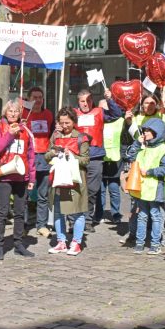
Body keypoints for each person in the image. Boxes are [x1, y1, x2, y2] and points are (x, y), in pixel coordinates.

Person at [0, 100, 36, 260]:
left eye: (16, 111)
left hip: (21, 176)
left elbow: (30, 155)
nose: (13, 113)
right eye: (10, 111)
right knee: (2, 211)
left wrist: (32, 176)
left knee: (19, 212)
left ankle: (18, 244)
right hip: (4, 175)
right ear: (5, 112)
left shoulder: (26, 131)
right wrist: (9, 134)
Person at [45, 107, 90, 256]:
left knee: (77, 211)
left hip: (75, 180)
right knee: (58, 212)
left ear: (74, 121)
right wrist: (53, 152)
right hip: (58, 179)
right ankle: (61, 241)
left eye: (67, 123)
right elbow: (46, 156)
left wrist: (71, 155)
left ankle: (76, 242)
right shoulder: (55, 136)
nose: (64, 126)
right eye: (62, 122)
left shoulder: (81, 138)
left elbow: (85, 160)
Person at [126, 117, 165, 255]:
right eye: (144, 130)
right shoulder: (143, 146)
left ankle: (155, 244)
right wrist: (136, 143)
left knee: (155, 216)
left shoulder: (164, 149)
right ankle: (140, 243)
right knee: (142, 216)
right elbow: (129, 156)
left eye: (147, 131)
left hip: (155, 188)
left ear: (156, 133)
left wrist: (150, 172)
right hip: (142, 189)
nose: (144, 133)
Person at [23, 87, 55, 238]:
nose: (37, 100)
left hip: (44, 157)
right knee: (25, 193)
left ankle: (41, 225)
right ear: (28, 99)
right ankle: (22, 224)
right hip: (28, 156)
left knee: (43, 193)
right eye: (34, 97)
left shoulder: (48, 114)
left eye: (40, 97)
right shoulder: (23, 114)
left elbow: (53, 133)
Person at [73, 90, 105, 231]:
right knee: (76, 189)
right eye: (82, 101)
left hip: (95, 156)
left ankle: (87, 220)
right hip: (77, 155)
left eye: (88, 100)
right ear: (78, 102)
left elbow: (116, 114)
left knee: (92, 190)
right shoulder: (73, 113)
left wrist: (109, 100)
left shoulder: (99, 112)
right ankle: (74, 220)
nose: (86, 104)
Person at [100, 89, 125, 223]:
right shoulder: (98, 121)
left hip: (115, 161)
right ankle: (100, 213)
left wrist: (109, 100)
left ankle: (115, 213)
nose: (103, 112)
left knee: (114, 190)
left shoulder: (118, 120)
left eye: (106, 109)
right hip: (101, 160)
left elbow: (117, 113)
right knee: (101, 190)